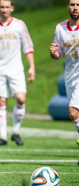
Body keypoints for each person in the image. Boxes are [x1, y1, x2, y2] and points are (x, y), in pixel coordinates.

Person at [0, 0, 35, 146]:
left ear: (12, 8)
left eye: (7, 7)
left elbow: (28, 46)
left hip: (16, 69)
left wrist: (31, 66)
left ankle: (15, 132)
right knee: (1, 101)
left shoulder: (19, 25)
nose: (4, 9)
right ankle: (3, 137)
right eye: (2, 7)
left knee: (21, 99)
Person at [49, 0, 79, 153]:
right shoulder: (60, 28)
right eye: (73, 4)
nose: (75, 8)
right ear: (67, 7)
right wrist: (54, 53)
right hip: (70, 77)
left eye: (78, 4)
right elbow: (58, 54)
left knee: (73, 112)